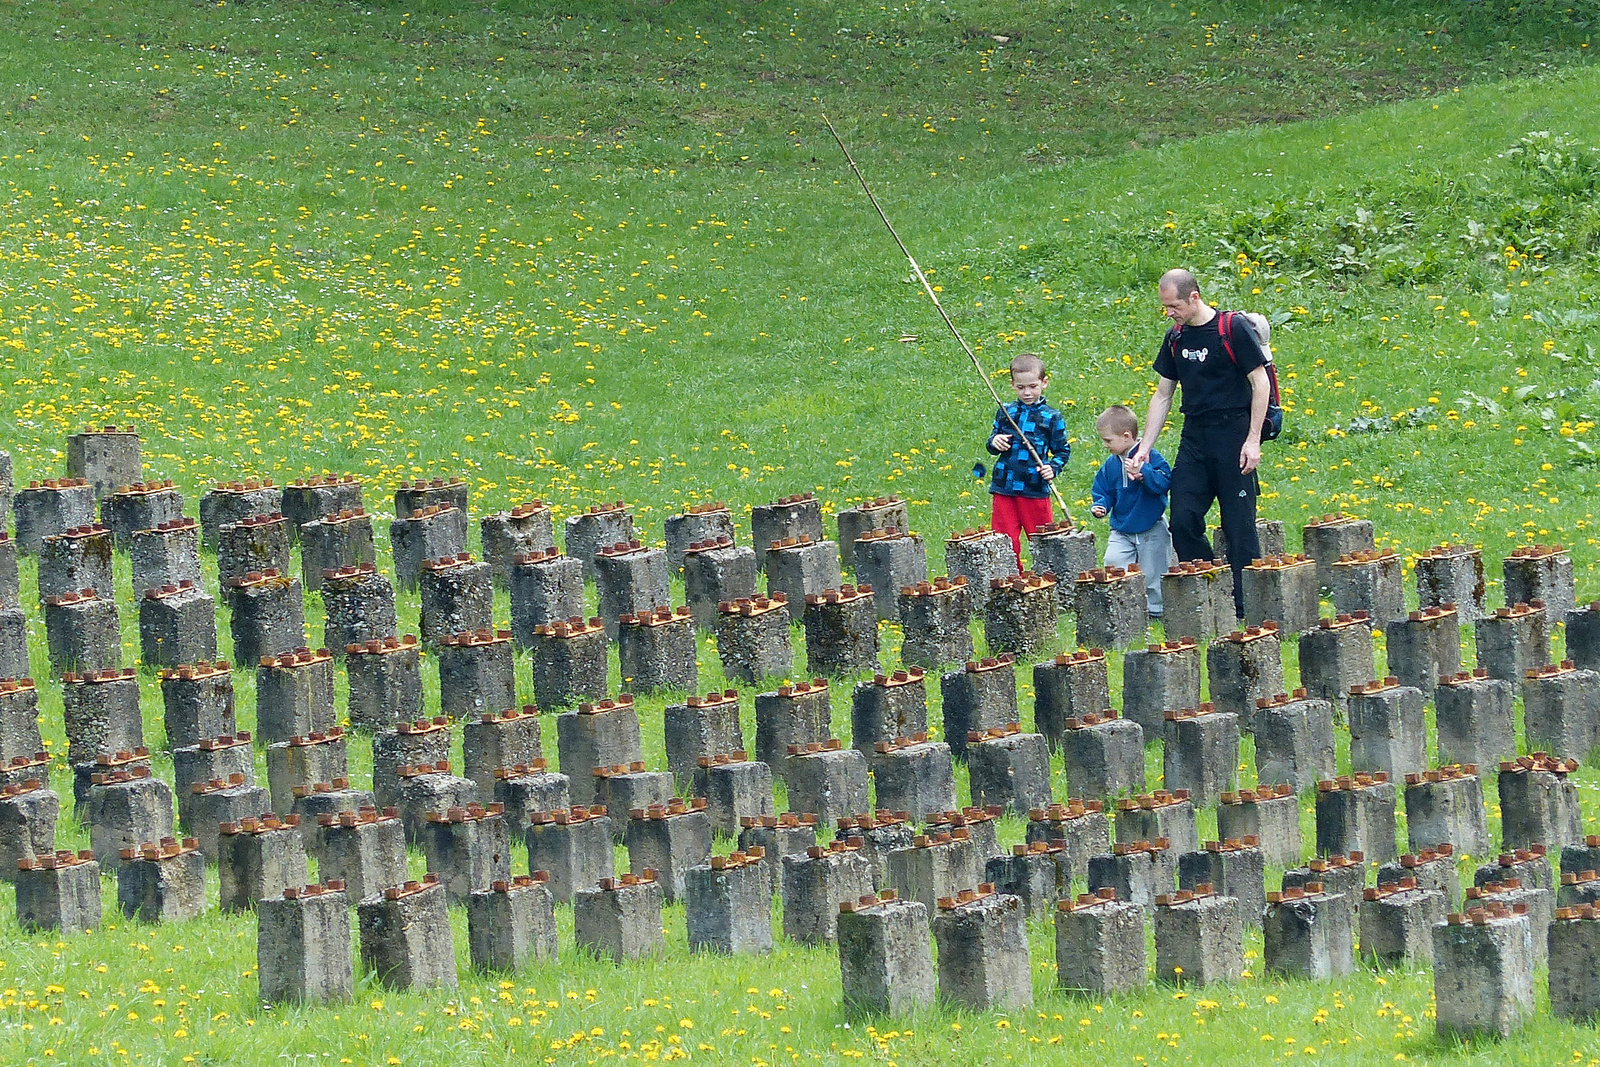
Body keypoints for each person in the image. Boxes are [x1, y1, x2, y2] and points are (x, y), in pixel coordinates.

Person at [1130, 268, 1270, 617]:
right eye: (1165, 307)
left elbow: (1261, 382)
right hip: (1195, 436)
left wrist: (1253, 440)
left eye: (1174, 305)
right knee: (1182, 519)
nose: (1169, 313)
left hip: (1234, 434)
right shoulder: (1175, 337)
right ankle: (1211, 585)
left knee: (1239, 525)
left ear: (1194, 297)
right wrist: (1144, 447)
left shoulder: (1232, 328)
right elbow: (1163, 394)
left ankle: (1244, 607)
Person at [985, 351, 1070, 571]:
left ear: (1044, 383)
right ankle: (1009, 578)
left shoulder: (1052, 417)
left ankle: (1047, 579)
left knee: (1041, 540)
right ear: (1012, 385)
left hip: (1035, 487)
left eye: (1033, 386)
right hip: (1004, 486)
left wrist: (1053, 468)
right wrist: (995, 441)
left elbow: (1062, 451)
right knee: (1004, 540)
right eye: (1021, 387)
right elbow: (991, 442)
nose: (1027, 392)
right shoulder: (1006, 411)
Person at [1090, 405, 1171, 617]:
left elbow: (1164, 482)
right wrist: (1101, 504)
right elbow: (1103, 489)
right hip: (1121, 528)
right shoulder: (1110, 464)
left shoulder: (1151, 456)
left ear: (1126, 436)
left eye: (1108, 440)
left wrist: (1144, 472)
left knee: (1154, 571)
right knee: (1113, 562)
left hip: (1151, 526)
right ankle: (1123, 608)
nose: (1105, 445)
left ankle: (1156, 611)